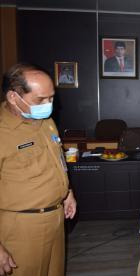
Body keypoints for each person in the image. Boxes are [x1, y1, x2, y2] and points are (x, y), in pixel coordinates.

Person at [0, 63, 77, 276]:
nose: (49, 104)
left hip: (55, 218)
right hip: (20, 227)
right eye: (40, 100)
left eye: (51, 97)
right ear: (13, 97)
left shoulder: (46, 121)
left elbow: (56, 158)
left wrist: (67, 192)